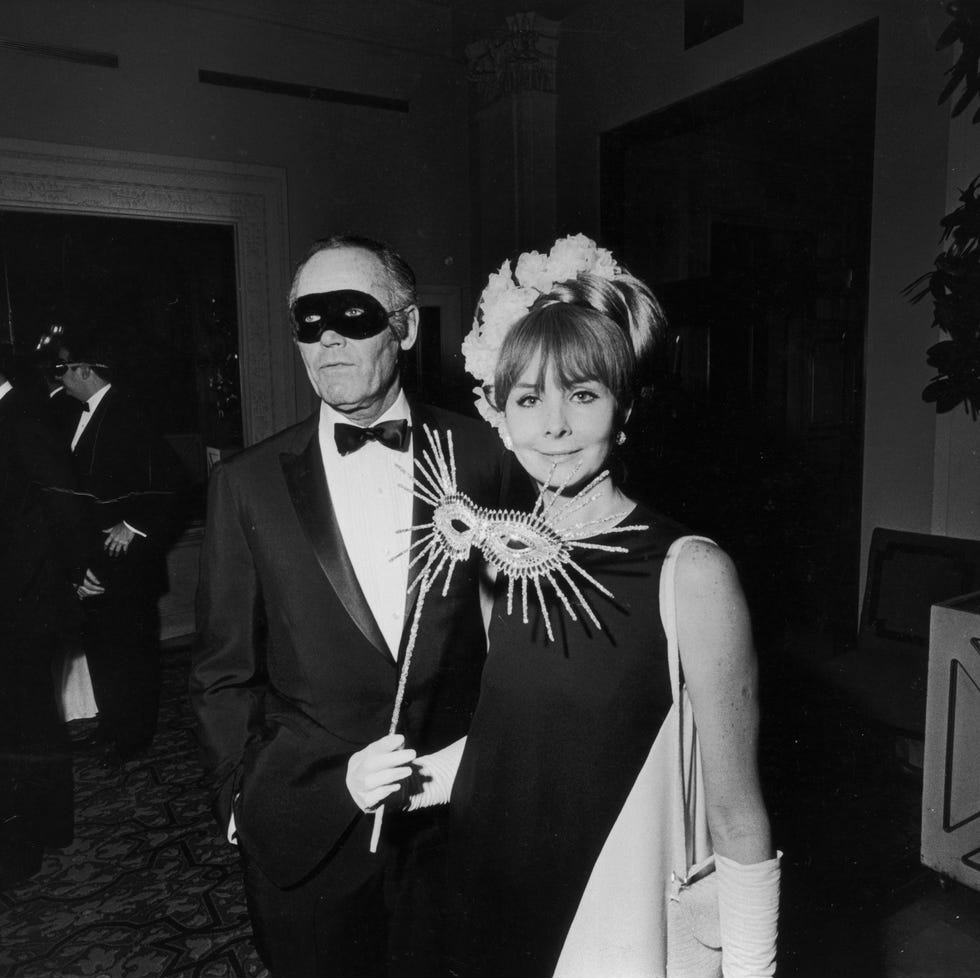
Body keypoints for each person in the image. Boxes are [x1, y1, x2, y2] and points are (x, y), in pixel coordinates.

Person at [362, 240, 780, 977]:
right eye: (529, 399)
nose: (553, 426)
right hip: (489, 896)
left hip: (609, 913)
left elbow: (738, 817)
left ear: (624, 410)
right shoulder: (498, 558)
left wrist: (752, 969)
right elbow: (514, 746)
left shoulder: (693, 574)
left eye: (582, 395)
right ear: (501, 416)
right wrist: (402, 782)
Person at [189, 234, 511, 978]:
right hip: (307, 832)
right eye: (307, 319)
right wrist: (240, 804)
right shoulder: (247, 484)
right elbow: (219, 670)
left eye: (352, 314)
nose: (327, 336)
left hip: (457, 830)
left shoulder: (488, 456)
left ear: (404, 326)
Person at [56, 332, 186, 764]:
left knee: (131, 654)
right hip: (95, 559)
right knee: (103, 648)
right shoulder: (79, 413)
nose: (60, 381)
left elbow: (174, 481)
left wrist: (135, 525)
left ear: (85, 371)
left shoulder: (129, 412)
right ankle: (111, 726)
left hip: (128, 564)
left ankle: (133, 737)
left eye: (64, 371)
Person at [0, 349, 85, 887]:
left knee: (22, 725)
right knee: (33, 720)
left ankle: (25, 846)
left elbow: (66, 502)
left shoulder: (20, 418)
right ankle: (51, 827)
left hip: (25, 606)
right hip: (20, 602)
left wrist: (79, 573)